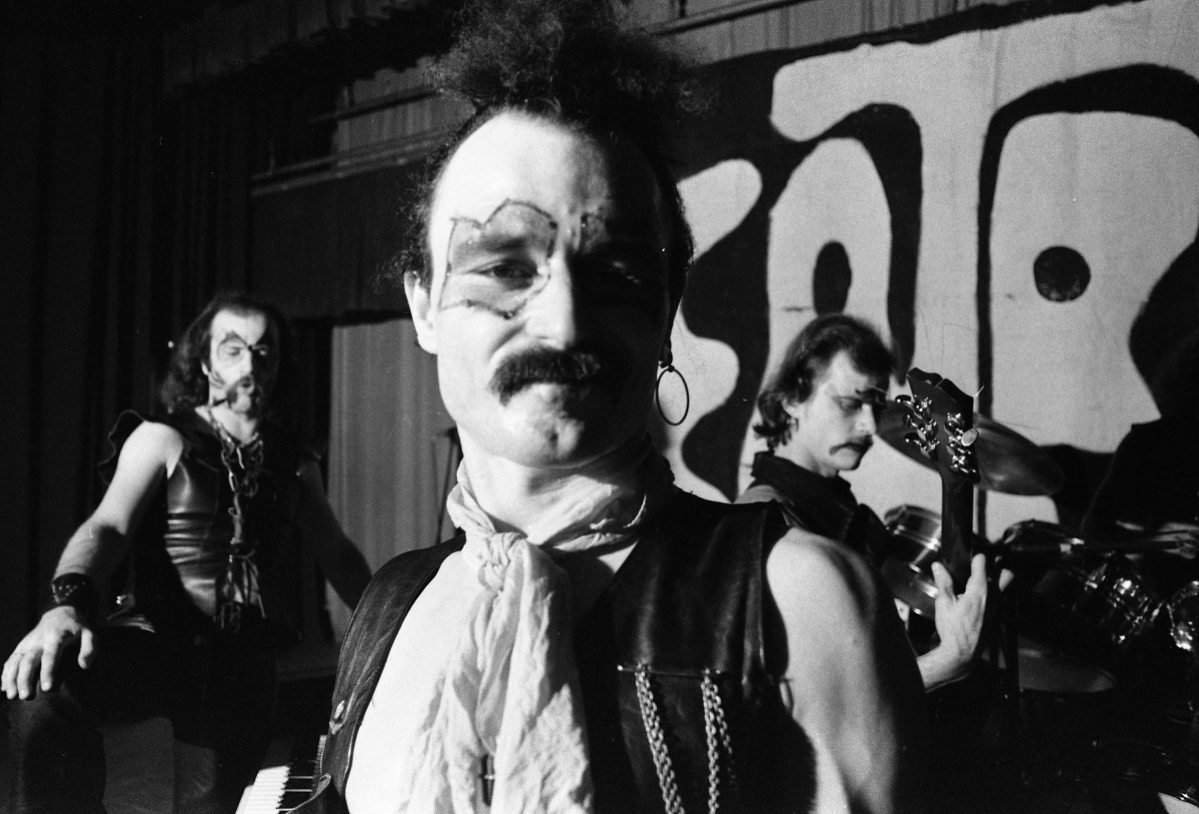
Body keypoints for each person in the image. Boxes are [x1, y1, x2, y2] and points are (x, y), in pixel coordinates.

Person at [299, 3, 927, 813]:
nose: (563, 324)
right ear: (423, 308)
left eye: (617, 274)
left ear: (665, 309)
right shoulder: (393, 601)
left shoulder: (800, 602)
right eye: (505, 267)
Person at [2, 291, 373, 814]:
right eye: (233, 348)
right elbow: (108, 527)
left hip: (243, 671)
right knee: (46, 686)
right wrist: (65, 604)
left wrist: (390, 630)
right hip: (158, 646)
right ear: (204, 362)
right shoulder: (161, 438)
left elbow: (337, 553)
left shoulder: (296, 462)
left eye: (263, 351)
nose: (250, 363)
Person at [737, 314, 987, 692]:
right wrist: (949, 660)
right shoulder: (768, 522)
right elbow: (815, 698)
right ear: (791, 400)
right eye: (850, 404)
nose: (870, 426)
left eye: (876, 406)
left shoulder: (833, 510)